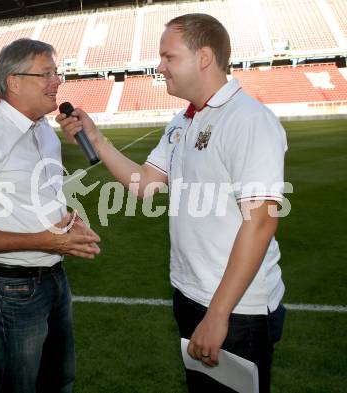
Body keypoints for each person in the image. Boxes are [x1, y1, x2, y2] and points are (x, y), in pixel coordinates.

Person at [56, 14, 287, 393]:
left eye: (169, 57)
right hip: (190, 294)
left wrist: (217, 314)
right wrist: (96, 140)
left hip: (236, 308)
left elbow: (261, 222)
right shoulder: (182, 121)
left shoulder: (249, 120)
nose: (159, 67)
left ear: (204, 57)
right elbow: (145, 185)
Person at [0, 38, 100, 393]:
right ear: (14, 81)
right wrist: (45, 240)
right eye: (46, 74)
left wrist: (68, 218)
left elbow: (36, 197)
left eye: (57, 73)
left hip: (54, 277)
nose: (57, 81)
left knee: (60, 381)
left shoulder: (44, 128)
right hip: (12, 288)